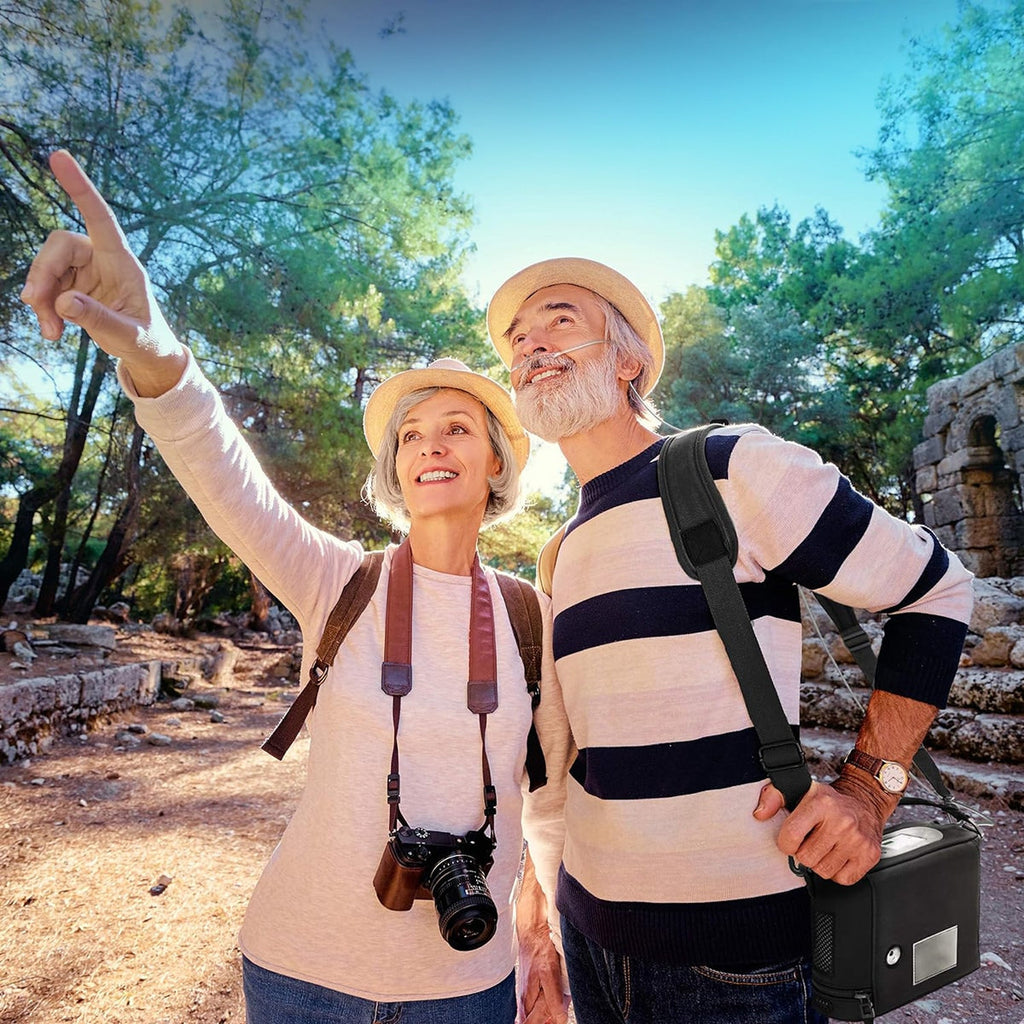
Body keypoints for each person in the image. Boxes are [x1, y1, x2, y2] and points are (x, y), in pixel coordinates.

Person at [20, 150, 570, 1024]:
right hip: (300, 973)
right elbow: (225, 478)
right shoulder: (338, 581)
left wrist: (543, 937)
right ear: (395, 469)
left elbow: (551, 802)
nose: (430, 444)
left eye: (457, 428)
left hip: (465, 986)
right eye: (411, 434)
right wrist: (155, 346)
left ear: (496, 463)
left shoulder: (532, 616)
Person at [487, 257, 975, 1024]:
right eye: (518, 340)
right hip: (590, 937)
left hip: (736, 965)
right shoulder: (561, 552)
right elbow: (567, 763)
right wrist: (543, 917)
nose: (531, 346)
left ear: (627, 361)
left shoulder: (730, 467)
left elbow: (938, 589)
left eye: (560, 320)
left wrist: (869, 788)